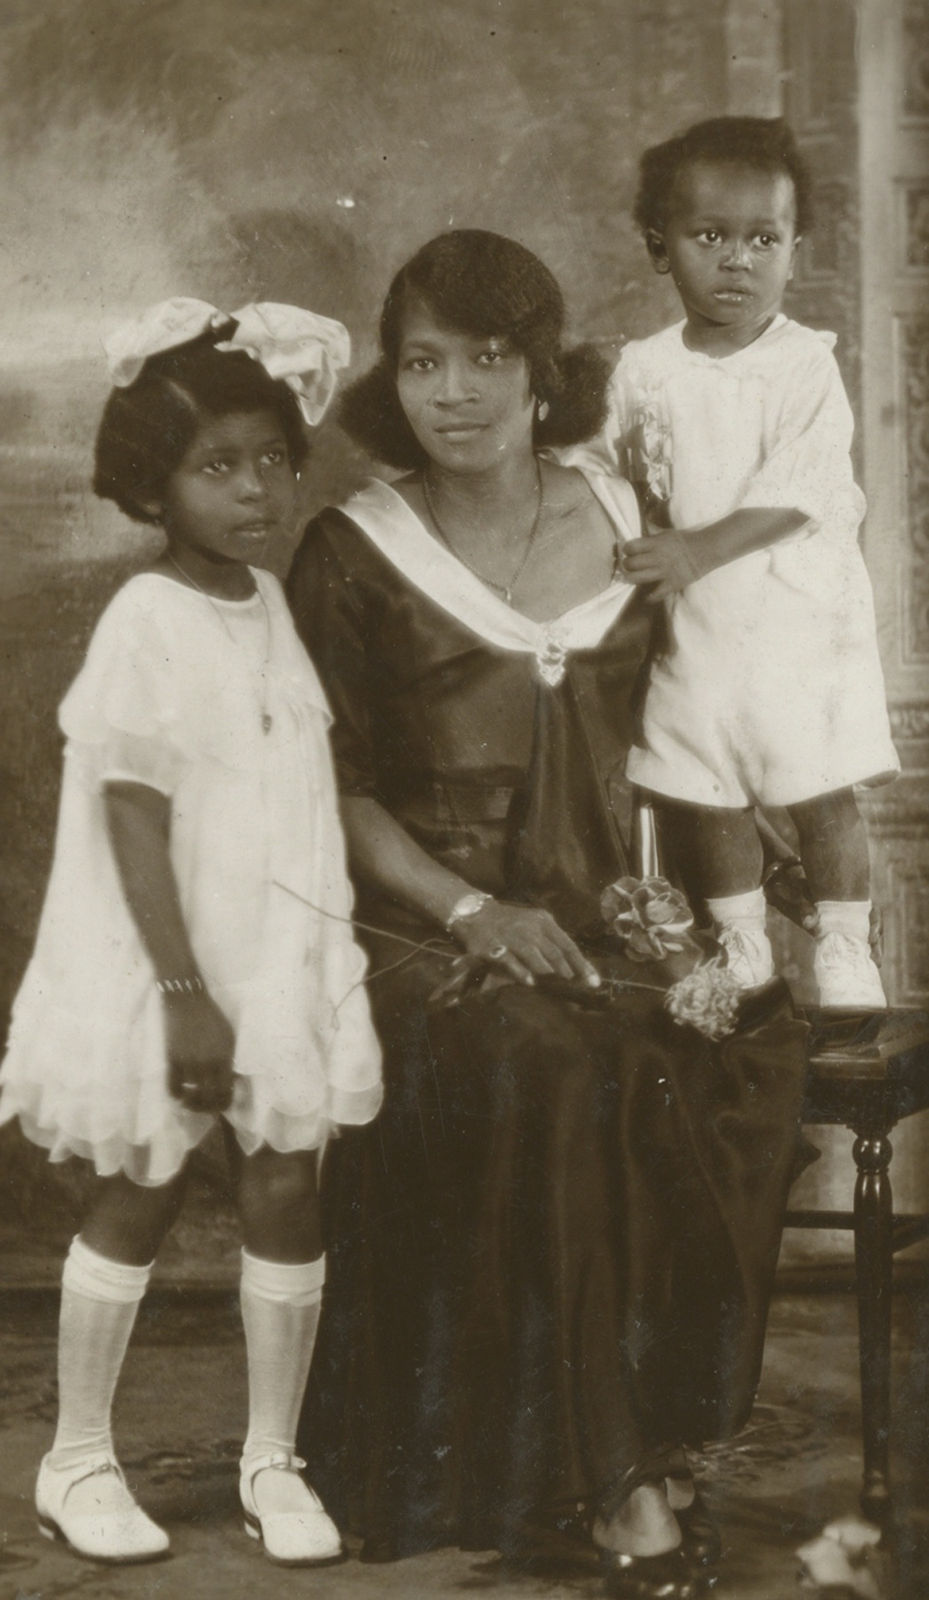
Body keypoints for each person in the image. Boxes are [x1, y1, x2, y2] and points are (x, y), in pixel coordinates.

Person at [287, 230, 809, 1599]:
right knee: (561, 1067)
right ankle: (611, 1477)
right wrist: (467, 908)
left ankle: (664, 1423)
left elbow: (691, 718)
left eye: (485, 358)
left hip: (608, 914)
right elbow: (321, 791)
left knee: (739, 1039)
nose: (451, 392)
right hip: (421, 936)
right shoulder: (349, 550)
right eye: (420, 363)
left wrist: (714, 906)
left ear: (542, 371)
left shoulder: (624, 507)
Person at [0, 299, 382, 1568]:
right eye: (216, 465)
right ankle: (78, 1457)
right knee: (144, 1187)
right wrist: (182, 989)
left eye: (272, 458)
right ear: (148, 482)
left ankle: (272, 1454)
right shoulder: (146, 618)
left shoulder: (265, 603)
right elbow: (128, 810)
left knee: (284, 1183)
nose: (256, 487)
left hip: (274, 955)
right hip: (173, 961)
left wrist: (296, 970)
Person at [562, 117, 898, 1008]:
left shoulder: (801, 366)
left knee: (815, 786)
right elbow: (599, 463)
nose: (737, 260)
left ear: (795, 250)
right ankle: (741, 941)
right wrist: (618, 522)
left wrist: (695, 547)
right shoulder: (640, 370)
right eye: (709, 237)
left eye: (763, 239)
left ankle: (841, 942)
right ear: (658, 248)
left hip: (789, 608)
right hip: (695, 616)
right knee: (701, 782)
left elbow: (805, 486)